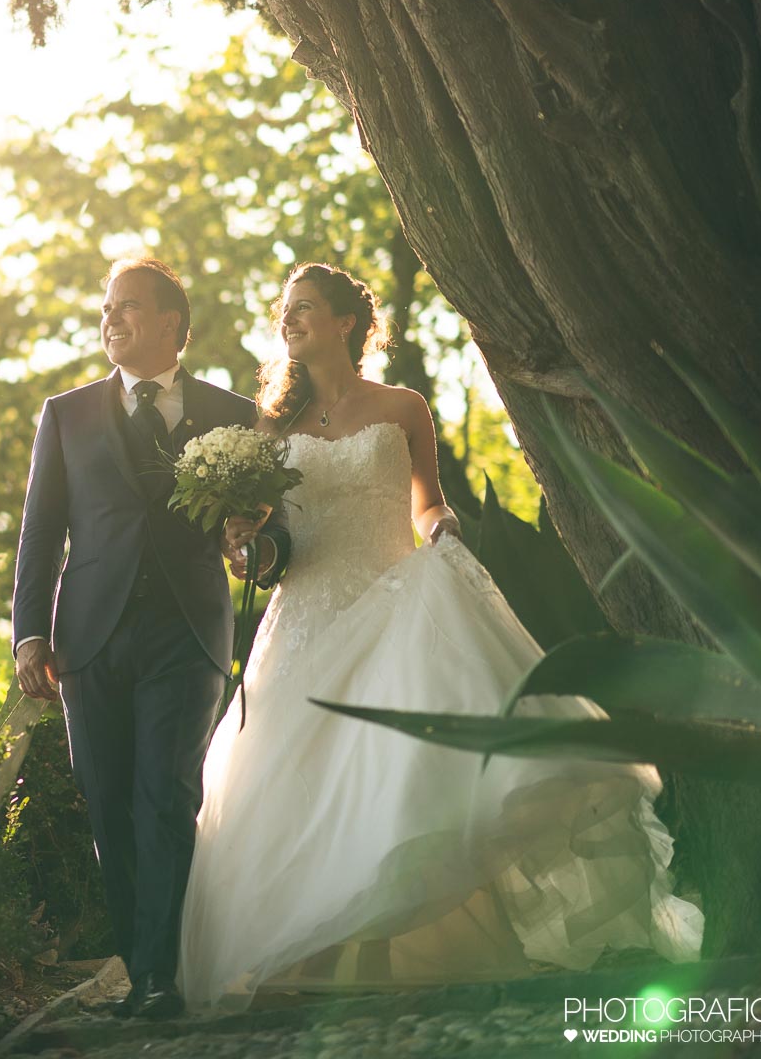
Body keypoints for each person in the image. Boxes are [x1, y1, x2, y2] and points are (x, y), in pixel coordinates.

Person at [177, 264, 703, 1013]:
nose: (288, 321)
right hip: (307, 616)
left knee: (392, 779)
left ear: (345, 324)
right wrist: (242, 545)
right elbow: (272, 542)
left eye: (303, 310)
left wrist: (446, 533)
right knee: (306, 780)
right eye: (284, 311)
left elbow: (428, 505)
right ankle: (307, 959)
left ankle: (395, 952)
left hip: (391, 604)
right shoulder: (273, 427)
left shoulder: (404, 407)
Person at [13, 257, 292, 1020]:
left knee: (164, 795)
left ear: (173, 322)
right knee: (107, 802)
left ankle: (162, 979)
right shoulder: (64, 414)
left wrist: (256, 549)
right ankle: (143, 972)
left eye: (128, 306)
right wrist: (29, 635)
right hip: (90, 637)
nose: (111, 318)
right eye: (107, 307)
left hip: (187, 630)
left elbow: (275, 536)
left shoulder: (234, 412)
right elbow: (39, 536)